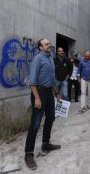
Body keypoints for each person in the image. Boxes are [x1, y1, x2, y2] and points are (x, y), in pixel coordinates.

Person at [24, 39, 61, 170]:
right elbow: (32, 82)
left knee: (51, 118)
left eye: (49, 44)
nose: (49, 45)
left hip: (49, 92)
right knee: (35, 124)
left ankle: (45, 144)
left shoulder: (50, 58)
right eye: (46, 44)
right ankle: (28, 154)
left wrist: (56, 92)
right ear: (40, 47)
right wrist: (37, 98)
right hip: (39, 92)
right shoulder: (37, 59)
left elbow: (52, 77)